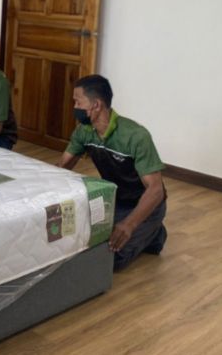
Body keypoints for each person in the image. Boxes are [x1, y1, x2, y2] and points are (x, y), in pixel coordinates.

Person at [58, 75, 167, 271]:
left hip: (145, 205)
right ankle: (144, 230)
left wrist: (129, 225)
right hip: (115, 199)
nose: (74, 107)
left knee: (111, 258)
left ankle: (155, 232)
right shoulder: (84, 131)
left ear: (96, 105)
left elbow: (156, 190)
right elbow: (62, 167)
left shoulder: (135, 136)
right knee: (78, 240)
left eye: (78, 102)